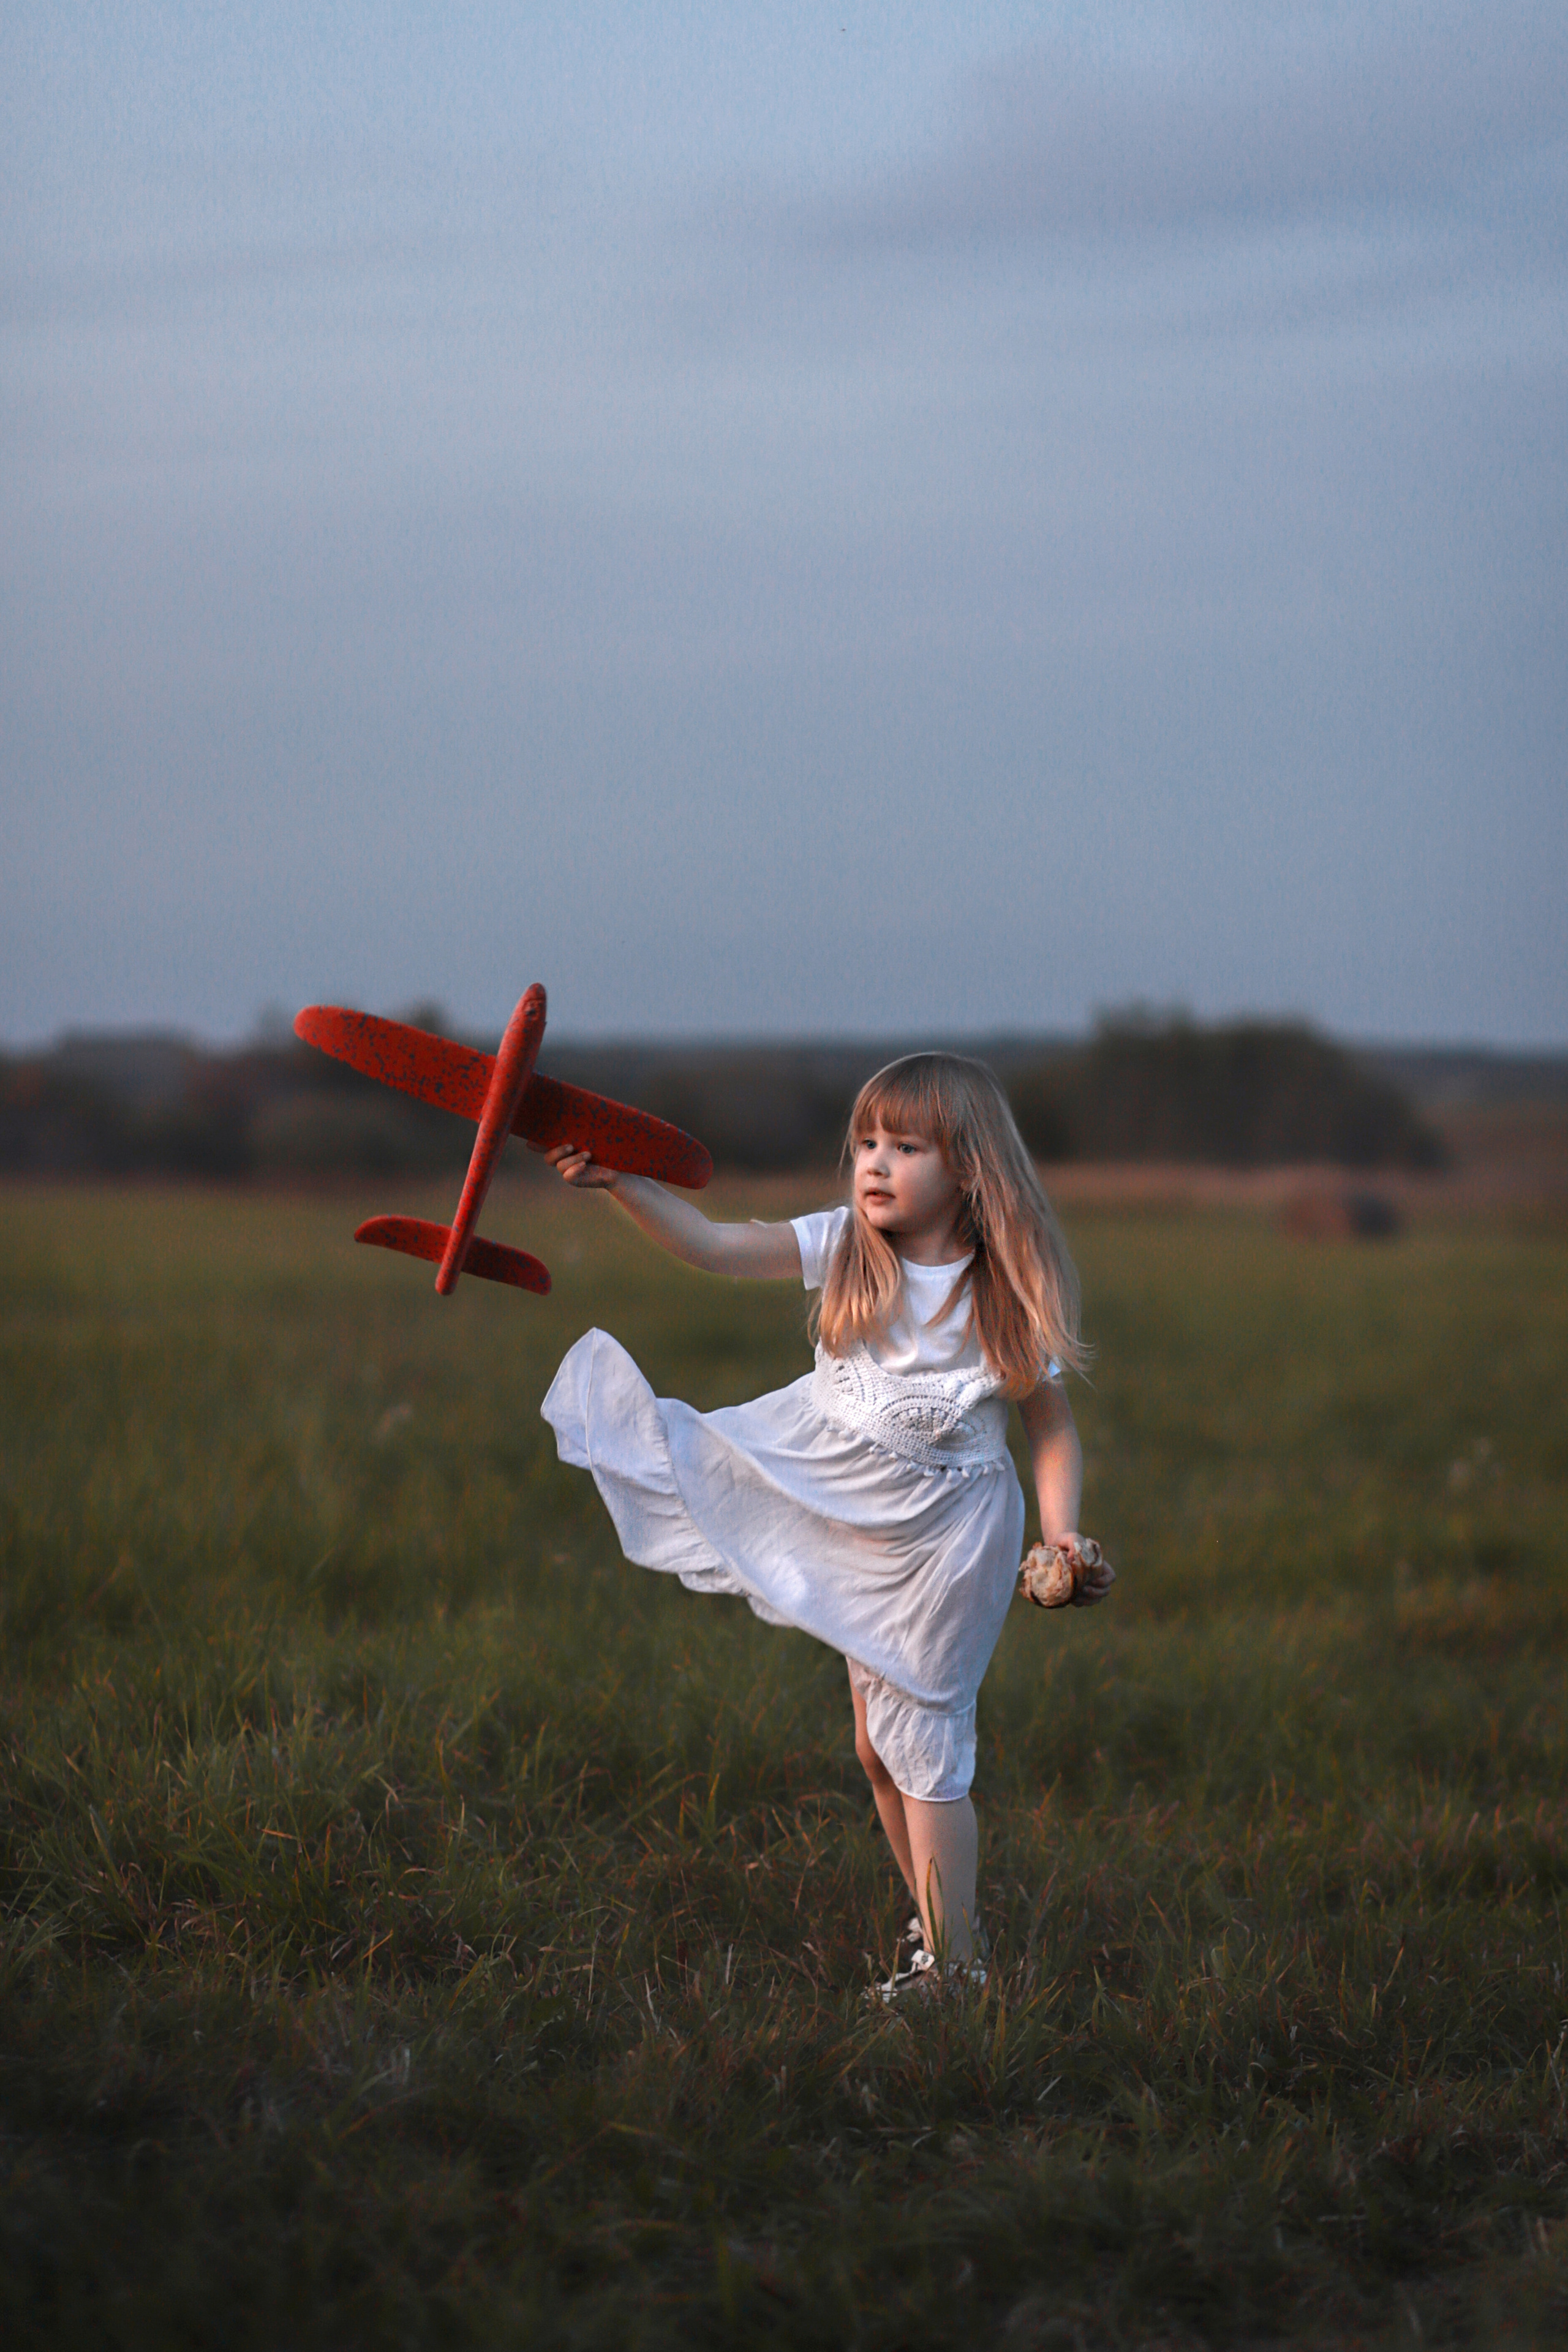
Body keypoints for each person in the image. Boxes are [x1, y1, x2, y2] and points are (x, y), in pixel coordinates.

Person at [538, 1052, 1106, 1998]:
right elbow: (715, 1247)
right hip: (848, 1513)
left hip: (946, 1539)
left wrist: (1063, 1535)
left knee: (926, 1751)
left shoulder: (995, 1291)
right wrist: (623, 1183)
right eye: (866, 1144)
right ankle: (937, 1928)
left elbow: (1050, 1429)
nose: (875, 1164)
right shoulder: (847, 1245)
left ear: (969, 1168)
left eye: (906, 1147)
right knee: (875, 1754)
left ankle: (958, 1971)